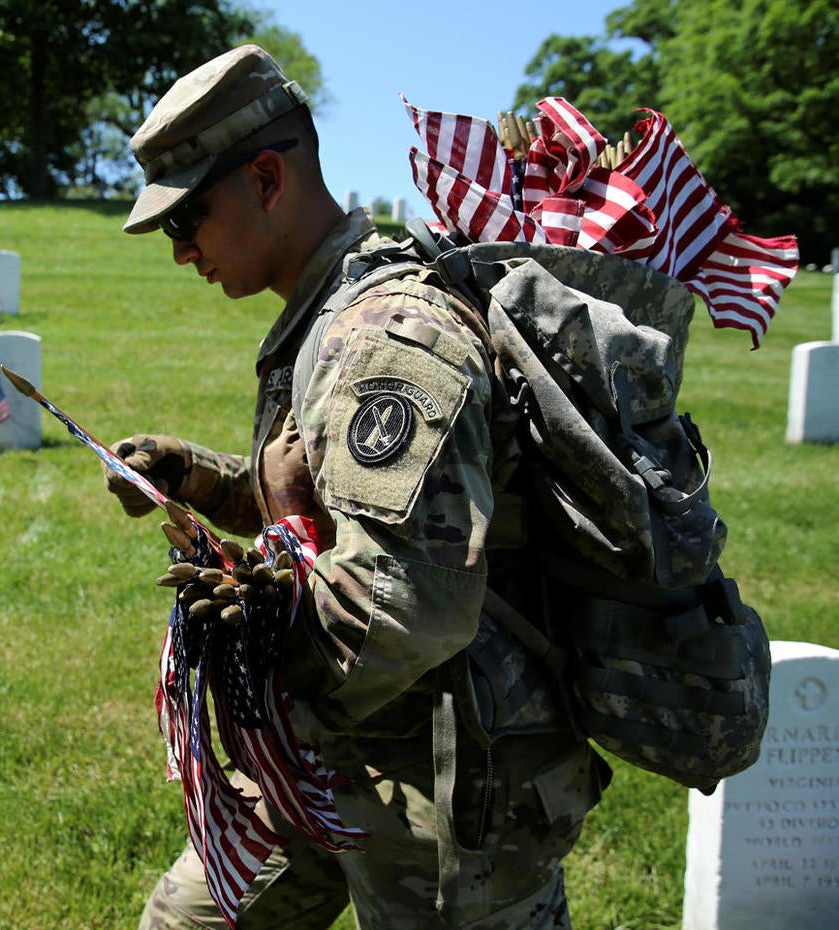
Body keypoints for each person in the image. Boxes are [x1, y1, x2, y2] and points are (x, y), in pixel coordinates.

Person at [102, 45, 610, 929]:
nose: (182, 253)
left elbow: (408, 601)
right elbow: (339, 506)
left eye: (189, 221)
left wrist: (250, 651)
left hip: (445, 789)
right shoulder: (327, 308)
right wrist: (201, 479)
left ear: (266, 178)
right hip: (331, 749)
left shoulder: (383, 336)